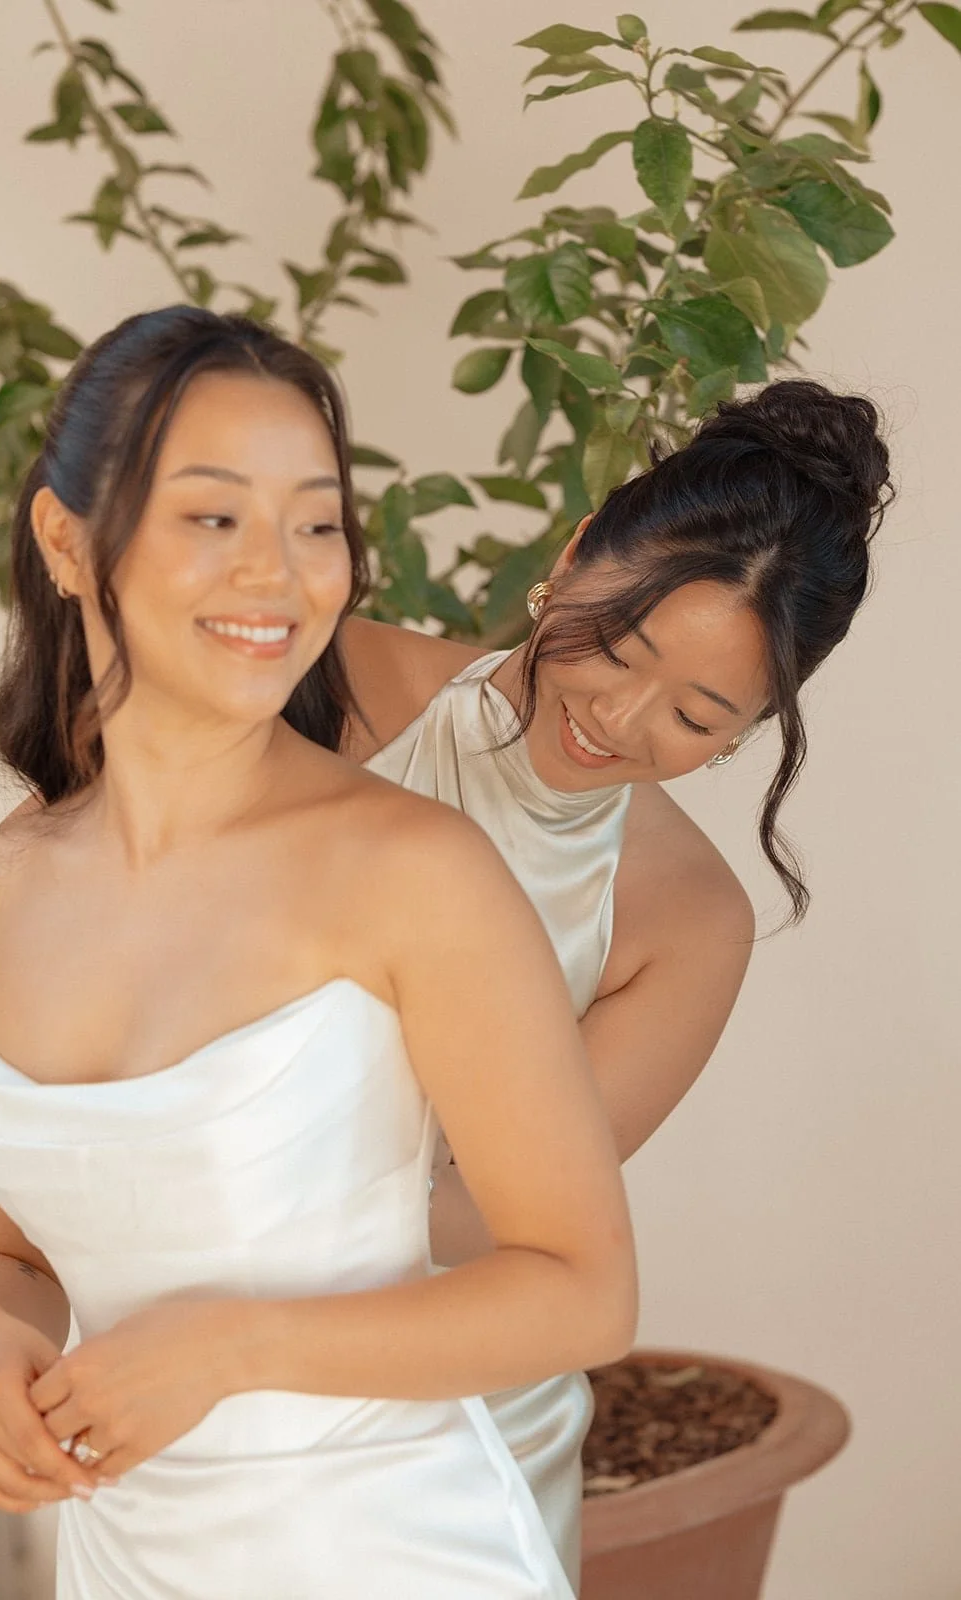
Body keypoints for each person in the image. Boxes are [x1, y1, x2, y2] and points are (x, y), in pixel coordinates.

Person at [0, 306, 637, 1600]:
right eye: (214, 518)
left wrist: (229, 1346)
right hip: (117, 1562)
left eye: (316, 525)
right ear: (66, 542)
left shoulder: (412, 873)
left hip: (392, 1558)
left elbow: (578, 1292)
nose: (281, 573)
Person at [341, 378, 892, 1583]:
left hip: (455, 1427)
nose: (616, 717)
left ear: (754, 727)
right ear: (578, 546)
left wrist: (234, 1254)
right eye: (617, 644)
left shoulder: (686, 918)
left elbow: (507, 1216)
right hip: (184, 1354)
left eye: (696, 714)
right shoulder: (338, 688)